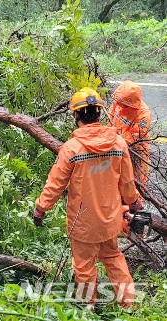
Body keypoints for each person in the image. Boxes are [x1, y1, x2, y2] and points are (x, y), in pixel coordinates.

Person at [33, 88, 142, 308]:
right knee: (113, 258)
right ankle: (130, 305)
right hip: (111, 221)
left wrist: (40, 208)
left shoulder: (72, 149)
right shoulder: (118, 144)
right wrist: (134, 202)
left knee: (84, 267)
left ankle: (87, 309)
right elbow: (128, 183)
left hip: (82, 224)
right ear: (99, 114)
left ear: (76, 116)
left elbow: (55, 185)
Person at [109, 80, 151, 186]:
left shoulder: (143, 114)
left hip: (135, 151)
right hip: (117, 145)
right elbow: (111, 117)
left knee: (137, 181)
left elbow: (136, 136)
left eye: (122, 103)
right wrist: (109, 132)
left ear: (130, 102)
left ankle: (137, 201)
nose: (118, 104)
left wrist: (115, 138)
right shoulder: (119, 102)